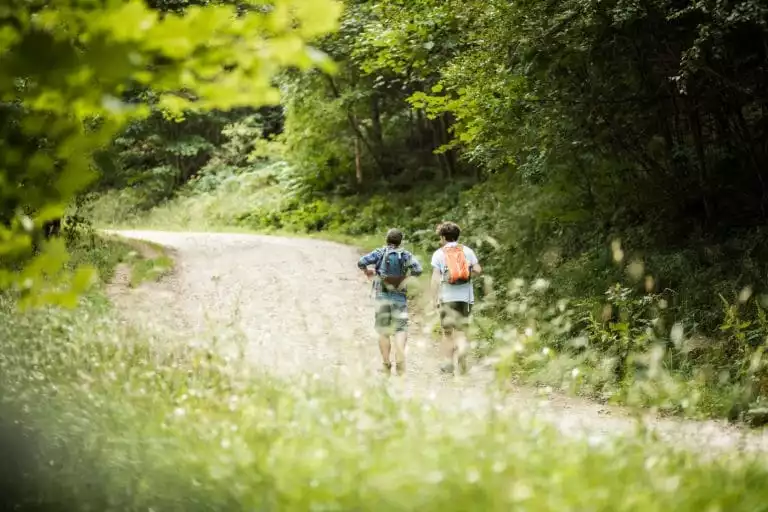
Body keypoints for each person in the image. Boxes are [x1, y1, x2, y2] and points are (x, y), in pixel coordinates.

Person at [358, 229, 423, 376]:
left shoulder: (380, 252)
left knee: (383, 331)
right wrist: (405, 278)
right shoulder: (406, 255)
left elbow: (361, 262)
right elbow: (418, 270)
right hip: (399, 296)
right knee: (400, 329)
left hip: (382, 295)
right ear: (400, 241)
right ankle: (400, 360)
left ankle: (386, 364)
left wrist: (367, 271)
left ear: (386, 239)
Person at [430, 221, 482, 375]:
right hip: (465, 299)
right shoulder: (467, 251)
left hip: (446, 298)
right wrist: (465, 274)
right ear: (457, 236)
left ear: (443, 237)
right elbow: (478, 270)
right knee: (462, 331)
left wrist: (434, 298)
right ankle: (462, 361)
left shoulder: (439, 253)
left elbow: (435, 278)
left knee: (447, 332)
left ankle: (448, 364)